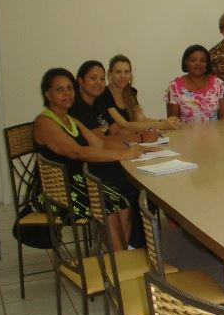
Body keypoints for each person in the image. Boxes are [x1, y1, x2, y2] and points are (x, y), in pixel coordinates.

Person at [33, 68, 144, 251]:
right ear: (47, 94)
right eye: (60, 89)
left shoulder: (70, 120)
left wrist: (136, 149)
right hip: (56, 189)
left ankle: (123, 254)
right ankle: (120, 263)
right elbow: (77, 152)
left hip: (80, 180)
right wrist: (122, 155)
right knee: (106, 204)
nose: (67, 93)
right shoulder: (44, 122)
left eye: (70, 88)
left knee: (124, 195)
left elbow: (99, 144)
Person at [102, 55, 180, 133]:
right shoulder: (104, 95)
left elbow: (141, 119)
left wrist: (164, 122)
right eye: (118, 72)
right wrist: (164, 125)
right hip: (112, 140)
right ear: (110, 73)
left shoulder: (131, 92)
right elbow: (124, 125)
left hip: (131, 138)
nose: (123, 76)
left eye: (126, 72)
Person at [165, 45, 224, 123]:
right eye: (193, 60)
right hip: (185, 134)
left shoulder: (218, 84)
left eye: (203, 61)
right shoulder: (175, 87)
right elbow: (173, 122)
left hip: (215, 133)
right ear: (186, 62)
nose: (198, 64)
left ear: (207, 64)